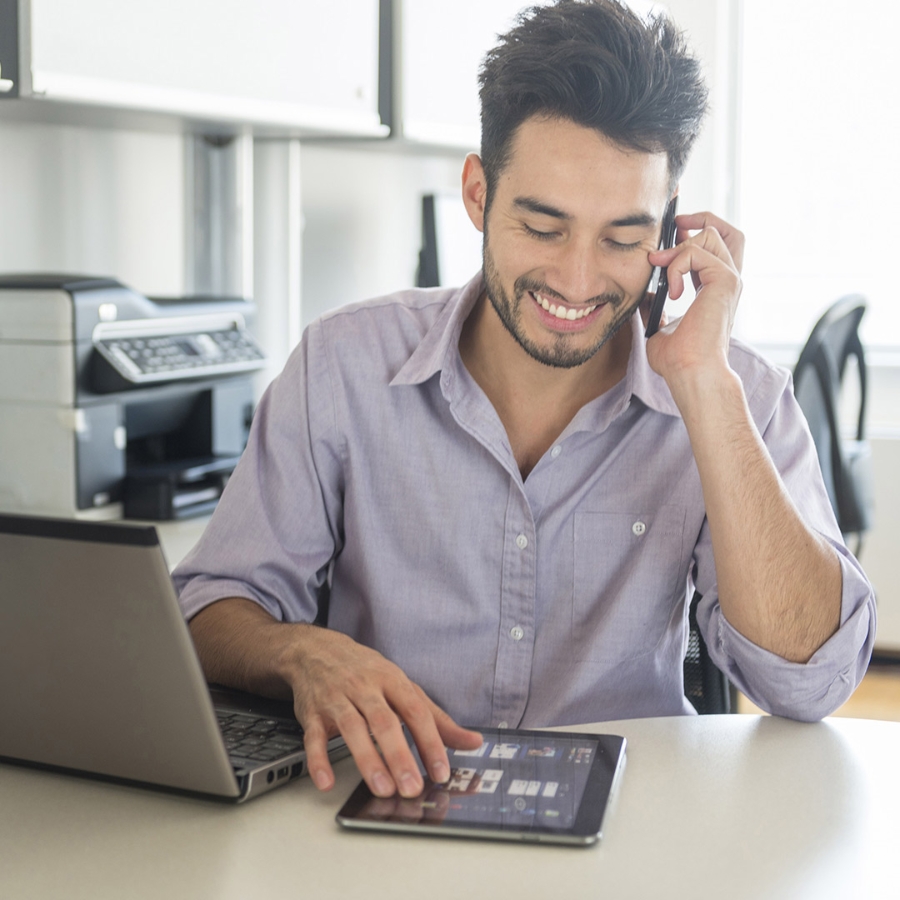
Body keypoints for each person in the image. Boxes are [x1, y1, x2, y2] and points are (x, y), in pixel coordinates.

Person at [174, 0, 875, 801]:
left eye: (622, 238)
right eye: (543, 227)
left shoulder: (732, 390)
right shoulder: (343, 366)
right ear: (478, 194)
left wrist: (707, 390)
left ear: (672, 227)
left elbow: (811, 684)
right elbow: (207, 609)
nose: (579, 282)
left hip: (637, 830)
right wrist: (301, 651)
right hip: (383, 819)